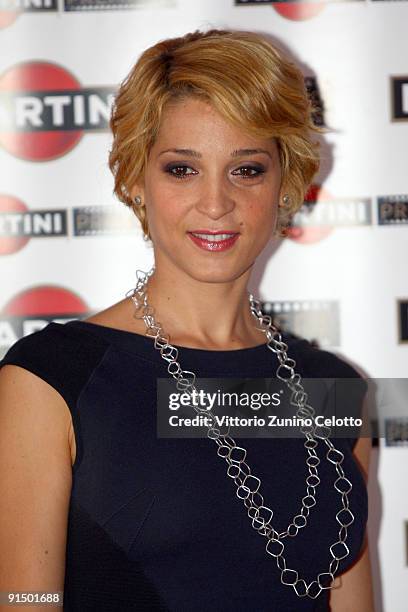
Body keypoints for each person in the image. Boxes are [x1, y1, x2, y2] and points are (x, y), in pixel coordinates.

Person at [0, 29, 374, 611]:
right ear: (133, 179)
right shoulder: (51, 378)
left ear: (285, 184)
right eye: (182, 169)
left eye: (246, 169)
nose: (216, 202)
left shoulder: (334, 386)